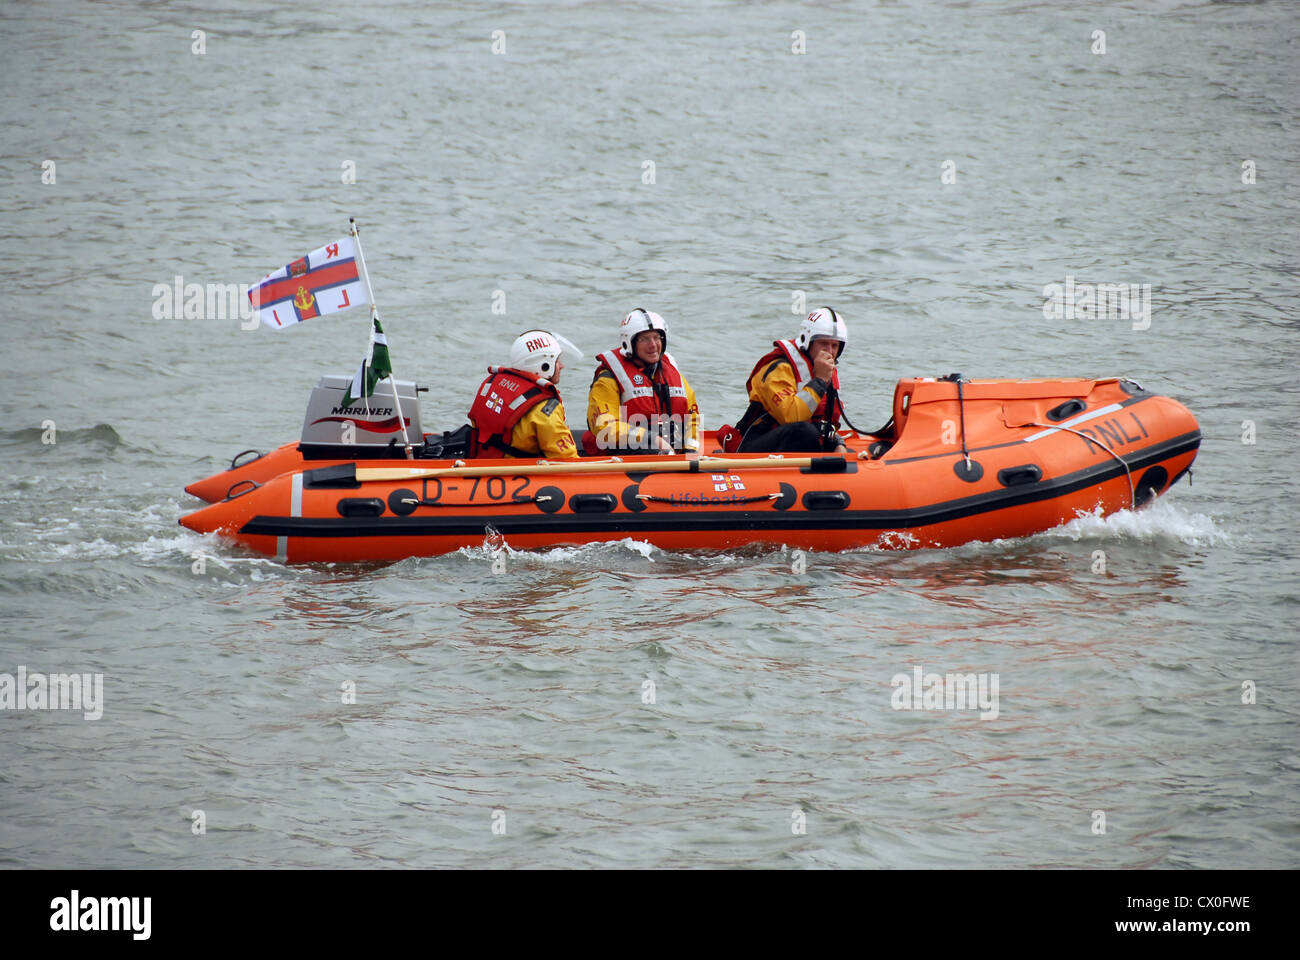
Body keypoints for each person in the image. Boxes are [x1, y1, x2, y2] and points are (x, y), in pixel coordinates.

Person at [726, 307, 849, 454]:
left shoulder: (826, 370)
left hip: (803, 445)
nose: (829, 351)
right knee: (804, 431)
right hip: (757, 447)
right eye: (823, 343)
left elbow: (827, 422)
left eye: (835, 345)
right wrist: (820, 381)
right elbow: (792, 418)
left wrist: (836, 442)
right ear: (808, 341)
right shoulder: (778, 369)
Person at [584, 308, 701, 455]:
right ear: (629, 343)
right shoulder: (608, 379)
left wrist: (691, 451)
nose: (653, 344)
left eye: (657, 337)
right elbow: (605, 428)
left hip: (669, 454)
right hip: (626, 456)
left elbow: (693, 418)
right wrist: (651, 439)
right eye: (644, 339)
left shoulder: (672, 372)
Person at [468, 330, 581, 459]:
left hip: (481, 461)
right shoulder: (543, 408)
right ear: (544, 365)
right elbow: (567, 460)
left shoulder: (492, 383)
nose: (562, 366)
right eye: (557, 360)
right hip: (514, 473)